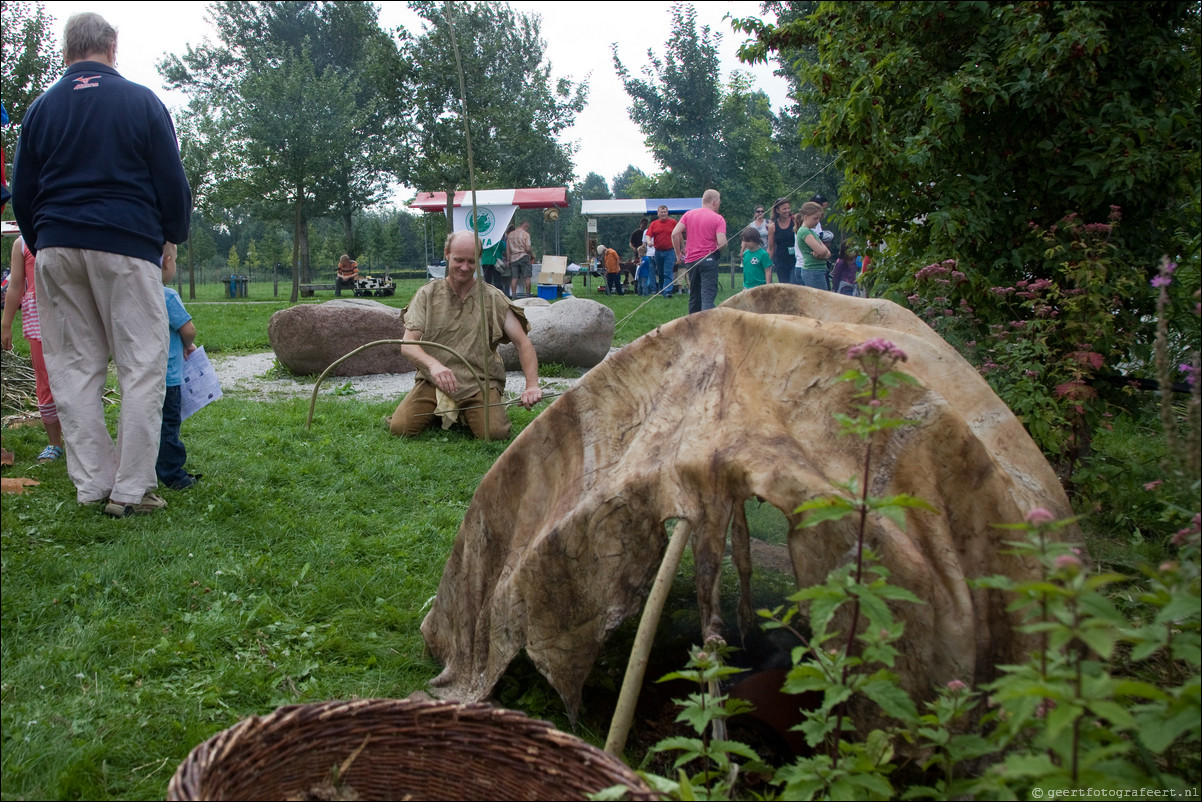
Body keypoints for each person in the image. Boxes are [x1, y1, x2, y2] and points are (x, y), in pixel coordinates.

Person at [11, 12, 192, 517]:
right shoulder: (141, 100)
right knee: (140, 365)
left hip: (54, 244)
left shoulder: (40, 110)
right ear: (113, 47)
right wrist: (170, 234)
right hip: (126, 242)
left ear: (66, 51)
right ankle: (132, 491)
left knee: (72, 368)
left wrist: (42, 240)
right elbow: (170, 181)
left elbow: (23, 193)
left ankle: (93, 484)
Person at [389, 230, 542, 441]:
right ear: (447, 254)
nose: (464, 267)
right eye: (459, 260)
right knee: (400, 427)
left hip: (479, 381)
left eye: (471, 261)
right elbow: (408, 344)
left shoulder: (493, 298)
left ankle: (463, 411)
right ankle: (445, 410)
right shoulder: (427, 294)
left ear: (478, 259)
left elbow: (523, 343)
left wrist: (532, 385)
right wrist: (434, 366)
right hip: (434, 380)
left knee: (495, 433)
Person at [1, 236, 65, 464]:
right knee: (45, 380)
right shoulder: (22, 244)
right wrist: (6, 324)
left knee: (75, 377)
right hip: (37, 319)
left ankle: (82, 439)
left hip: (70, 316)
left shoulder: (67, 232)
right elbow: (16, 284)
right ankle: (55, 443)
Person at [157, 250, 200, 490]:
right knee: (169, 425)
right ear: (167, 261)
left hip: (142, 374)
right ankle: (172, 474)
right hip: (169, 376)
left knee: (148, 422)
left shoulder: (135, 295)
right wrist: (187, 344)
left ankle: (147, 467)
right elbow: (188, 330)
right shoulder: (167, 296)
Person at [672, 189, 728, 314]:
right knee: (707, 296)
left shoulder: (688, 215)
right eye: (719, 202)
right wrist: (721, 247)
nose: (719, 205)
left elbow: (675, 233)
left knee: (694, 296)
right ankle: (706, 327)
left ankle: (692, 327)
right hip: (708, 261)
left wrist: (678, 255)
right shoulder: (718, 218)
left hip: (691, 261)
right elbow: (722, 243)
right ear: (714, 202)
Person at [794, 201, 832, 290]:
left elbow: (828, 253)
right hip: (813, 271)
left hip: (818, 270)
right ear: (806, 216)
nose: (817, 221)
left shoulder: (811, 232)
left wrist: (822, 254)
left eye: (819, 219)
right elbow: (822, 251)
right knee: (821, 301)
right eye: (815, 218)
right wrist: (823, 253)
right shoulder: (804, 231)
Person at [643, 205, 677, 297]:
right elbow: (648, 235)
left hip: (670, 251)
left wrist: (681, 247)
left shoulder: (673, 222)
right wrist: (649, 241)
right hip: (658, 251)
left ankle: (668, 291)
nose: (663, 214)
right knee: (660, 273)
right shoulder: (654, 224)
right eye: (661, 212)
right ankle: (662, 289)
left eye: (665, 212)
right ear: (658, 213)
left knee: (668, 272)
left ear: (667, 213)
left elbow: (678, 234)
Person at [766, 198, 797, 285]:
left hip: (795, 260)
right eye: (784, 209)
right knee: (784, 287)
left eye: (788, 208)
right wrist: (766, 264)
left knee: (793, 285)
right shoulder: (773, 227)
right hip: (781, 262)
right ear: (777, 210)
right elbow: (771, 248)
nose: (787, 211)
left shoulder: (795, 221)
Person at [506, 220, 535, 299]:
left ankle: (514, 296)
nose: (527, 230)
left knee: (514, 278)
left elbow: (507, 249)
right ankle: (527, 295)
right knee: (527, 277)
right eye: (527, 228)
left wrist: (508, 260)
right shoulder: (526, 235)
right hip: (524, 257)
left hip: (513, 258)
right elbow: (528, 248)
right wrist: (532, 255)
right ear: (525, 226)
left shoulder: (510, 235)